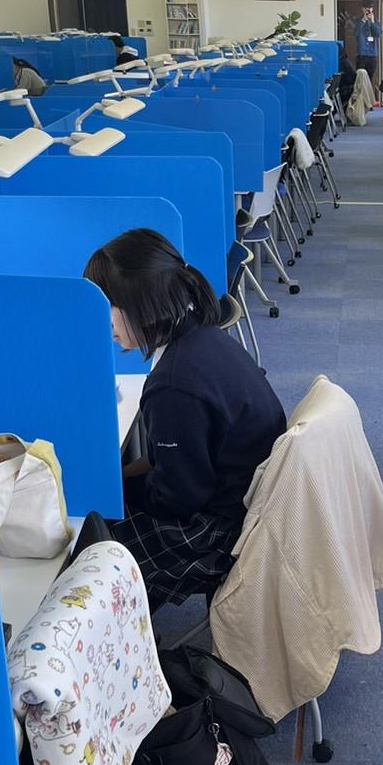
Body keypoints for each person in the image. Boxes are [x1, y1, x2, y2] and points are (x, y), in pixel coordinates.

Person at [83, 229, 286, 613]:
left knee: (90, 539)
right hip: (248, 504)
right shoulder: (202, 340)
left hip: (220, 532)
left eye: (107, 306)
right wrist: (122, 477)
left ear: (139, 303)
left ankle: (125, 632)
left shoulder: (174, 387)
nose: (103, 322)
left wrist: (116, 493)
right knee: (115, 499)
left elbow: (177, 498)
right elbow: (178, 466)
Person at [352, 0, 383, 91]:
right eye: (366, 8)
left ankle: (367, 98)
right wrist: (363, 20)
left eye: (370, 8)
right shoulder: (358, 21)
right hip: (361, 54)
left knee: (369, 80)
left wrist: (372, 22)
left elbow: (378, 34)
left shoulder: (376, 21)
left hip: (372, 55)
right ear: (362, 9)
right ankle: (360, 98)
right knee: (360, 80)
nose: (368, 10)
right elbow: (355, 33)